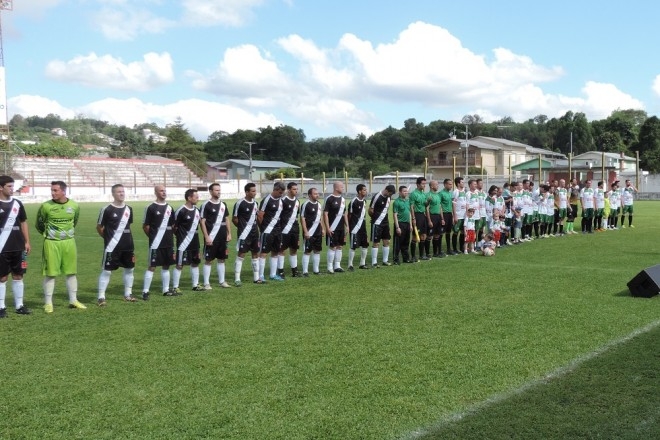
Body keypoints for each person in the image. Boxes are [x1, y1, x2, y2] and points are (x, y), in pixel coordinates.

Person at [36, 180, 84, 312]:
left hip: (69, 242)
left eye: (55, 190)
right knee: (51, 273)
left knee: (71, 272)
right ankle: (48, 303)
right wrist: (50, 235)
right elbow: (39, 224)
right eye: (51, 190)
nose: (52, 193)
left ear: (63, 191)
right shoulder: (46, 206)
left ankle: (73, 300)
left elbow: (75, 221)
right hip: (51, 243)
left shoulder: (74, 205)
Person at [96, 183, 136, 306]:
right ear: (113, 194)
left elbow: (128, 226)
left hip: (128, 246)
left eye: (123, 191)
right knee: (107, 271)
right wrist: (108, 238)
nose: (122, 194)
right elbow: (99, 227)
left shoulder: (129, 209)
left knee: (130, 269)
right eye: (119, 192)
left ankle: (128, 294)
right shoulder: (107, 209)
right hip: (112, 246)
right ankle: (101, 297)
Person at [0, 175, 31, 317]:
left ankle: (20, 305)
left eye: (13, 186)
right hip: (2, 248)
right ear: (1, 187)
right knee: (2, 277)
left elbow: (23, 222)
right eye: (9, 186)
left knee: (19, 275)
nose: (12, 189)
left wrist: (27, 241)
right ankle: (1, 307)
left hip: (18, 247)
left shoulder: (17, 203)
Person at [141, 184, 176, 300]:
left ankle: (166, 290)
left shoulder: (170, 208)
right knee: (152, 266)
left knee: (166, 266)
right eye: (161, 191)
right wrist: (153, 237)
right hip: (156, 243)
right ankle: (145, 291)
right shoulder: (150, 208)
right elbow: (146, 226)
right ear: (156, 193)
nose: (164, 193)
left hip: (168, 243)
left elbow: (172, 225)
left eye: (165, 190)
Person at [200, 183, 232, 289]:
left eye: (219, 190)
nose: (219, 192)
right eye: (216, 190)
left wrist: (229, 233)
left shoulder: (223, 205)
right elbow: (202, 222)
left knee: (222, 259)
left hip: (222, 236)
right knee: (209, 260)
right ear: (210, 191)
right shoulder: (206, 205)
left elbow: (226, 219)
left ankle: (222, 281)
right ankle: (206, 283)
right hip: (211, 236)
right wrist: (206, 236)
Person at [172, 189, 203, 293]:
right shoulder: (181, 210)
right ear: (189, 198)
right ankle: (175, 286)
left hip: (195, 242)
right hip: (184, 242)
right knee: (180, 264)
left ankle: (195, 285)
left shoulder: (197, 210)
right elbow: (174, 227)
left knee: (195, 262)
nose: (198, 199)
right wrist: (180, 236)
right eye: (196, 197)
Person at [233, 183, 261, 286]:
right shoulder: (240, 203)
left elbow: (256, 218)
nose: (255, 193)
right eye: (253, 191)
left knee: (255, 254)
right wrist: (242, 228)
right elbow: (234, 219)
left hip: (255, 233)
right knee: (241, 255)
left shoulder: (255, 203)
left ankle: (256, 278)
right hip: (244, 234)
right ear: (247, 192)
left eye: (255, 191)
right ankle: (237, 278)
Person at [258, 182, 285, 282]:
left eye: (282, 193)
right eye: (280, 192)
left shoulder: (281, 201)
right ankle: (260, 276)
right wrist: (263, 228)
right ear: (275, 189)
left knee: (275, 252)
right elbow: (260, 215)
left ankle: (273, 275)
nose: (281, 194)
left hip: (277, 230)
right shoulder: (267, 200)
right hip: (267, 230)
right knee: (264, 252)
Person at [323, 181, 348, 274]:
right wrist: (327, 227)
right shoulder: (329, 199)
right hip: (332, 228)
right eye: (341, 186)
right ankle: (330, 267)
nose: (343, 188)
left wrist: (347, 225)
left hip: (341, 227)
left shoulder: (343, 199)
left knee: (340, 246)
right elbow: (325, 214)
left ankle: (337, 265)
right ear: (336, 188)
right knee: (332, 247)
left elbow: (344, 214)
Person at [278, 182, 301, 278]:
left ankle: (294, 271)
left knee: (294, 249)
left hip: (294, 228)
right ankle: (280, 271)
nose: (296, 191)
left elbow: (296, 215)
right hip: (284, 229)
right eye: (294, 189)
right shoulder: (282, 201)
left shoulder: (297, 201)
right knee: (282, 250)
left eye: (296, 189)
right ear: (288, 190)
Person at [369, 184, 395, 267]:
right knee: (376, 243)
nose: (390, 195)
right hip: (377, 223)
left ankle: (385, 261)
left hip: (385, 222)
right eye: (390, 193)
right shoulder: (377, 197)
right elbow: (370, 210)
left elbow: (386, 210)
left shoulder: (389, 197)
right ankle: (374, 262)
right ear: (386, 190)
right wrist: (374, 218)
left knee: (387, 241)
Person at [300, 187, 325, 276]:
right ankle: (305, 271)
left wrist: (322, 229)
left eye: (317, 193)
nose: (317, 195)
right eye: (315, 194)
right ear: (310, 195)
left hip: (318, 231)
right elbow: (302, 219)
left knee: (317, 251)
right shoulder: (306, 204)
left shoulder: (319, 204)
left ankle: (316, 270)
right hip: (309, 232)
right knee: (307, 251)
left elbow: (320, 218)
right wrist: (306, 231)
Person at [347, 184, 370, 270]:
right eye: (364, 190)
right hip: (354, 227)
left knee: (365, 245)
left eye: (366, 190)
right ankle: (350, 265)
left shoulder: (364, 201)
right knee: (353, 246)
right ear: (359, 191)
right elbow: (349, 215)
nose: (366, 191)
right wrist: (350, 226)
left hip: (362, 227)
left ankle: (362, 264)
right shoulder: (354, 201)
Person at [409, 177, 430, 261]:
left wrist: (428, 201)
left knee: (424, 235)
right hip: (417, 215)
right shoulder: (414, 194)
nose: (424, 185)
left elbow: (425, 205)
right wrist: (413, 218)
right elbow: (411, 207)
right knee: (415, 236)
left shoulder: (423, 194)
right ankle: (413, 256)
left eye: (425, 184)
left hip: (423, 215)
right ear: (417, 184)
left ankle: (422, 255)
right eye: (423, 184)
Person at [392, 185, 411, 264]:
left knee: (406, 242)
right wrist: (397, 227)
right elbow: (395, 215)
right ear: (400, 192)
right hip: (400, 224)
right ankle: (396, 259)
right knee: (398, 243)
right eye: (404, 191)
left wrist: (410, 225)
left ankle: (406, 258)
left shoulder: (408, 201)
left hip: (407, 224)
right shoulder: (396, 202)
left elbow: (409, 213)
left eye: (406, 191)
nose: (406, 193)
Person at [426, 180, 443, 258]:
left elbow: (440, 207)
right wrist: (429, 220)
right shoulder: (428, 195)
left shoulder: (438, 195)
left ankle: (436, 252)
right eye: (436, 184)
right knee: (429, 236)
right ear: (431, 186)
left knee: (437, 235)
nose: (438, 185)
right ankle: (427, 253)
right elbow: (427, 208)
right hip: (432, 216)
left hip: (438, 217)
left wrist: (442, 218)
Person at [438, 178, 454, 258]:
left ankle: (449, 249)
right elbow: (439, 206)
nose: (451, 186)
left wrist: (453, 215)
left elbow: (451, 205)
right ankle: (439, 250)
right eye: (449, 184)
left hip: (449, 214)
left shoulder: (450, 194)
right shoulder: (441, 193)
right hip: (443, 214)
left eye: (451, 184)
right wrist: (441, 218)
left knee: (448, 232)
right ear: (445, 184)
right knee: (441, 233)